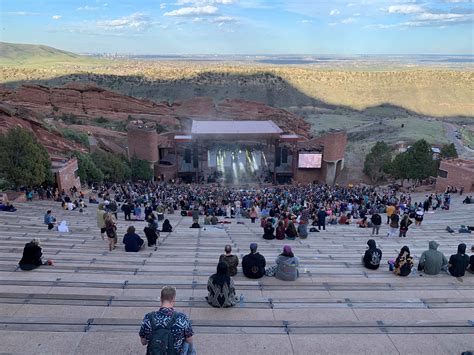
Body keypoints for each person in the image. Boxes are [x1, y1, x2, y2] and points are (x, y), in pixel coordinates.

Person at [139, 286, 194, 355]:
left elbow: (143, 342)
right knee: (189, 344)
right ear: (174, 299)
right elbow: (190, 340)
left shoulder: (148, 318)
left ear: (161, 299)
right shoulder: (181, 318)